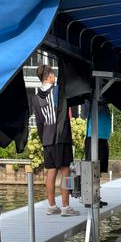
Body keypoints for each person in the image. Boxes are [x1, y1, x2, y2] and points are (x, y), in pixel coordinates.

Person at [31, 65, 76, 216]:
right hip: (60, 137)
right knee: (66, 171)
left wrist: (44, 137)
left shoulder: (36, 98)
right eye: (53, 75)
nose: (54, 77)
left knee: (51, 172)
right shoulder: (57, 91)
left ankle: (51, 206)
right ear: (49, 76)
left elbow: (38, 122)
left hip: (47, 139)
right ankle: (66, 206)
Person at [84, 99, 112, 208]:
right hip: (93, 136)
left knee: (99, 169)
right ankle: (89, 198)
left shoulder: (105, 100)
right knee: (92, 169)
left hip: (103, 137)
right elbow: (85, 113)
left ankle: (96, 196)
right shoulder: (90, 99)